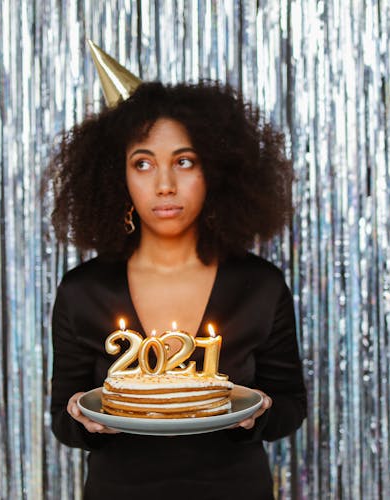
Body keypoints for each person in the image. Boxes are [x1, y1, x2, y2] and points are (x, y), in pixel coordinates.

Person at [44, 66, 306, 499]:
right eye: (143, 164)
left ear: (216, 171)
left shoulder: (260, 284)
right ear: (117, 177)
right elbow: (64, 418)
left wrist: (255, 416)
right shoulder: (81, 291)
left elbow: (291, 405)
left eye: (184, 162)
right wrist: (82, 420)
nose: (164, 185)